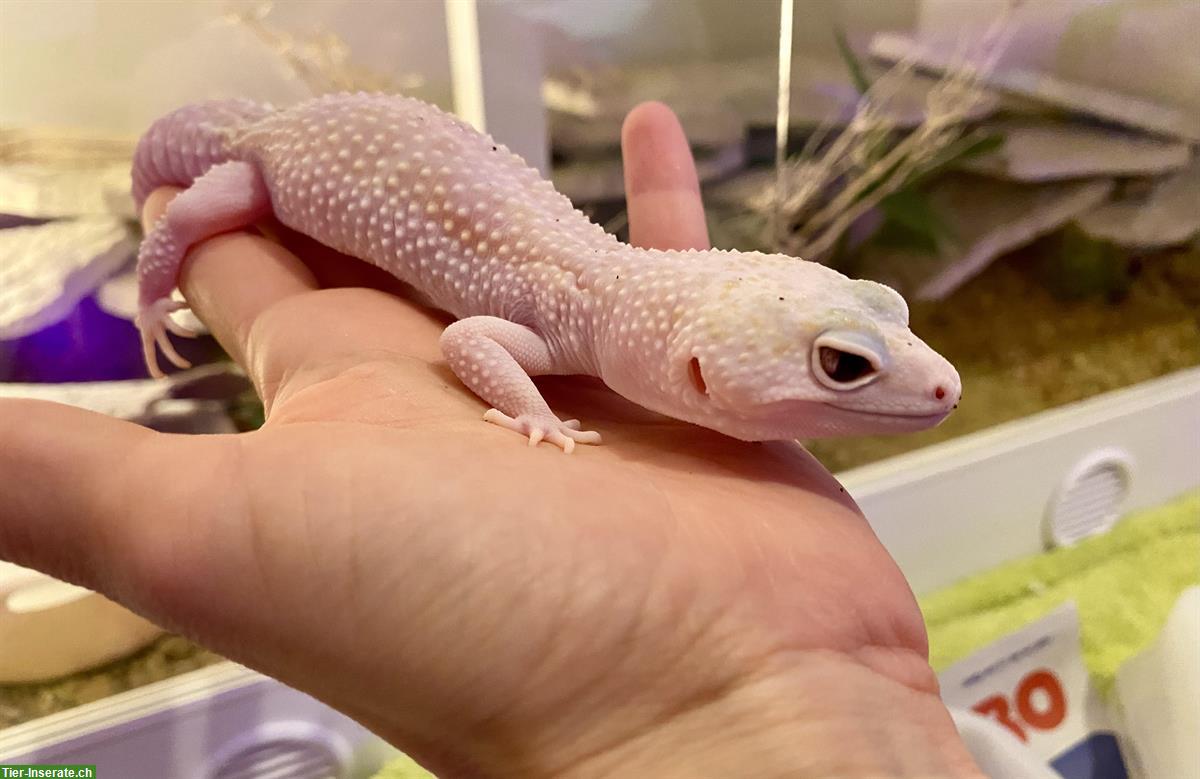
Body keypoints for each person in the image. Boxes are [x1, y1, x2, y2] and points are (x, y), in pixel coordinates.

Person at [0, 103, 983, 778]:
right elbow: (470, 340)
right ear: (690, 374)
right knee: (194, 226)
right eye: (846, 365)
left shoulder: (608, 308)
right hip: (266, 156)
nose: (936, 379)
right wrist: (534, 414)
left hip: (312, 150)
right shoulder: (566, 316)